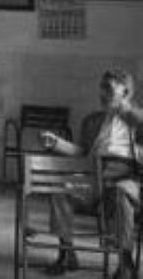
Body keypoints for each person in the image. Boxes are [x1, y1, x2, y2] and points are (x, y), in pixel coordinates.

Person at [40, 69, 143, 278]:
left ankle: (125, 264)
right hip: (94, 176)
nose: (102, 94)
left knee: (122, 194)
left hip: (125, 178)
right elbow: (83, 153)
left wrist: (124, 109)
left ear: (125, 92)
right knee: (62, 190)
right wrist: (57, 144)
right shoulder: (94, 121)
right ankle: (67, 254)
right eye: (101, 87)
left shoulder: (138, 119)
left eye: (109, 88)